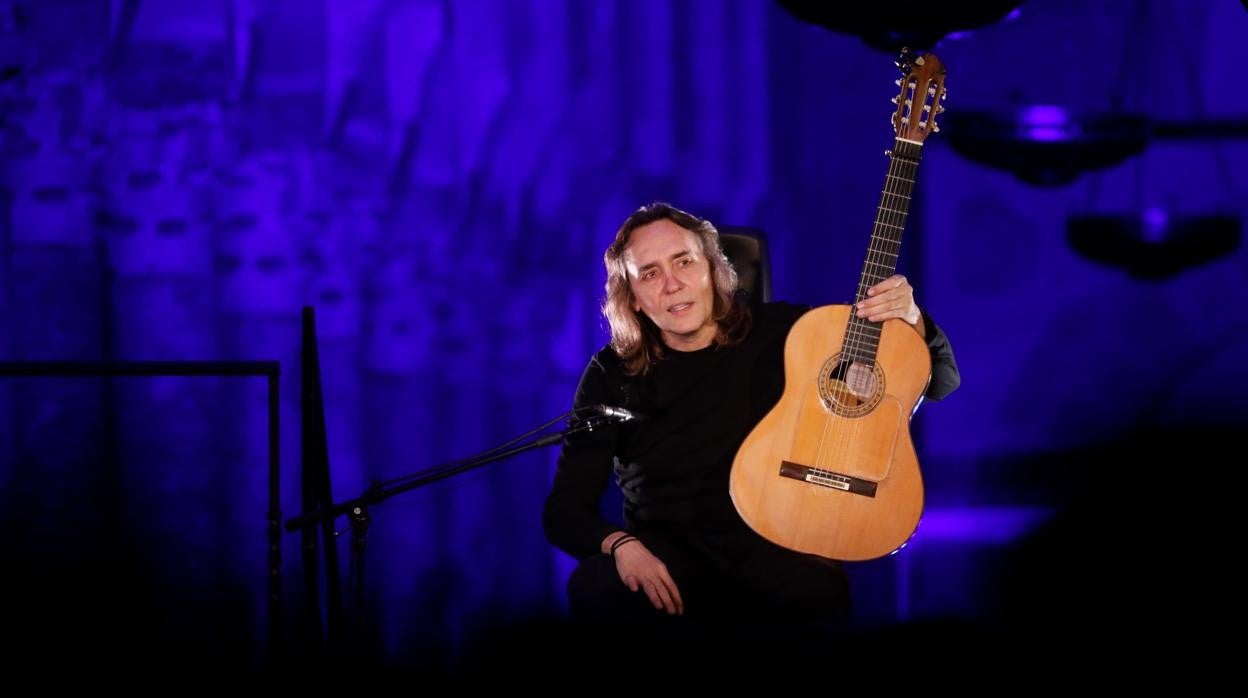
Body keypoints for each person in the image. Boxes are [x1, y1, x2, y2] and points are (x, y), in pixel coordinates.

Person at [541, 201, 960, 640]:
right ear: (634, 300)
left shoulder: (788, 333)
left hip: (778, 545)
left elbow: (937, 382)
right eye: (649, 274)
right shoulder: (612, 373)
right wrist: (622, 546)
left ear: (713, 269)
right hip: (668, 552)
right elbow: (565, 511)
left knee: (816, 591)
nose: (671, 284)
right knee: (600, 588)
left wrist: (911, 317)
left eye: (684, 261)